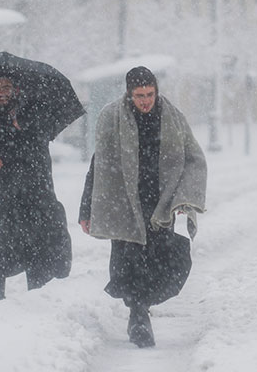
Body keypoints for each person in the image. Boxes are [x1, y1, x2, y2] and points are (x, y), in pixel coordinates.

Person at [79, 66, 207, 348]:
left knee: (160, 262)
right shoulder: (112, 117)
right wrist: (86, 208)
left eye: (150, 94)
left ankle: (141, 307)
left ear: (156, 91)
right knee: (129, 263)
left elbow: (192, 157)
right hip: (123, 201)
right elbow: (98, 164)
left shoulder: (172, 118)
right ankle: (138, 315)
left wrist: (184, 198)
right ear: (129, 94)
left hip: (159, 203)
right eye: (139, 95)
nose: (145, 101)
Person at [0, 76, 72, 307]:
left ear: (16, 89)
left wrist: (23, 126)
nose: (1, 92)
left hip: (32, 190)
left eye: (5, 87)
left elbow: (43, 139)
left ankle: (36, 296)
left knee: (35, 242)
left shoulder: (34, 111)